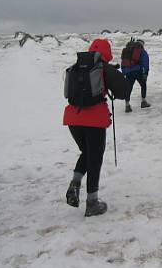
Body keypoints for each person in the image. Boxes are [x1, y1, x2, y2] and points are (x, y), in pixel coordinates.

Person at [63, 38, 127, 216]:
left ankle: (75, 184)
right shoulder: (104, 68)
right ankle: (92, 202)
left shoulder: (77, 66)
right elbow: (123, 92)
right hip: (94, 120)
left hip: (72, 118)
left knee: (87, 152)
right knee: (95, 157)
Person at [121, 38, 150, 112]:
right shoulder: (141, 51)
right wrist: (146, 72)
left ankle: (127, 105)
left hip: (128, 71)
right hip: (138, 71)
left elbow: (123, 61)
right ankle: (143, 102)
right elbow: (145, 62)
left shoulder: (127, 50)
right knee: (143, 85)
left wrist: (124, 71)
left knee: (128, 88)